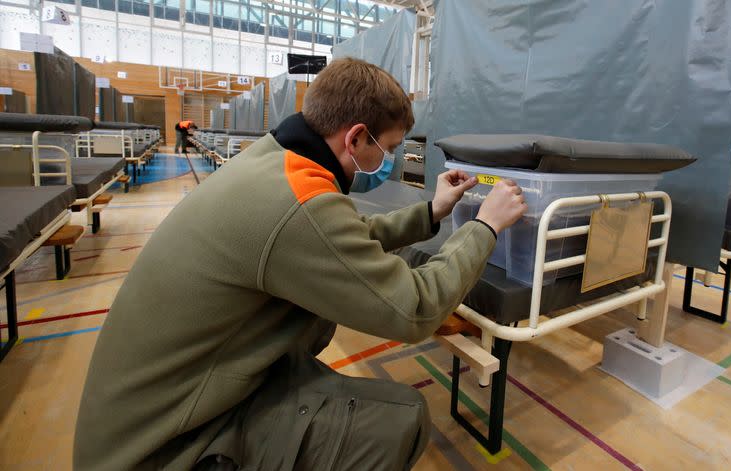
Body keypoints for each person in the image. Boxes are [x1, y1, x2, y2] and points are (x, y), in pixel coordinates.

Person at [74, 58, 527, 470]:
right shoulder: (301, 202)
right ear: (354, 137)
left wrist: (432, 212)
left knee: (313, 330)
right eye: (386, 149)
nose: (386, 162)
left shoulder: (276, 161)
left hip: (158, 407)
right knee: (399, 420)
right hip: (160, 448)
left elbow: (342, 244)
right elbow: (415, 310)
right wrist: (485, 227)